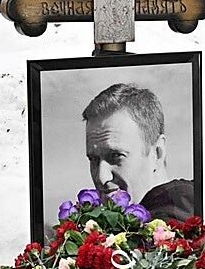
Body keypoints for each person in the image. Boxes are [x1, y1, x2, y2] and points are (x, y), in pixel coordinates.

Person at [83, 83, 194, 221]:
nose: (101, 177)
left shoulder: (173, 225)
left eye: (116, 156)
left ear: (157, 153)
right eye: (93, 159)